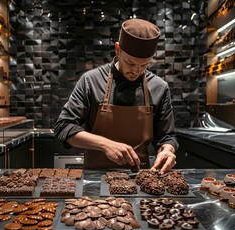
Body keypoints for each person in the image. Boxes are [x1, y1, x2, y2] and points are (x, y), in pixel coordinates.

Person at [54, 18, 178, 174]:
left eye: (144, 65)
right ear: (118, 50)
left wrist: (167, 150)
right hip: (95, 179)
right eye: (131, 63)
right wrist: (106, 145)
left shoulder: (159, 87)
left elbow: (166, 136)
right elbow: (63, 127)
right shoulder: (91, 81)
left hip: (139, 180)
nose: (137, 71)